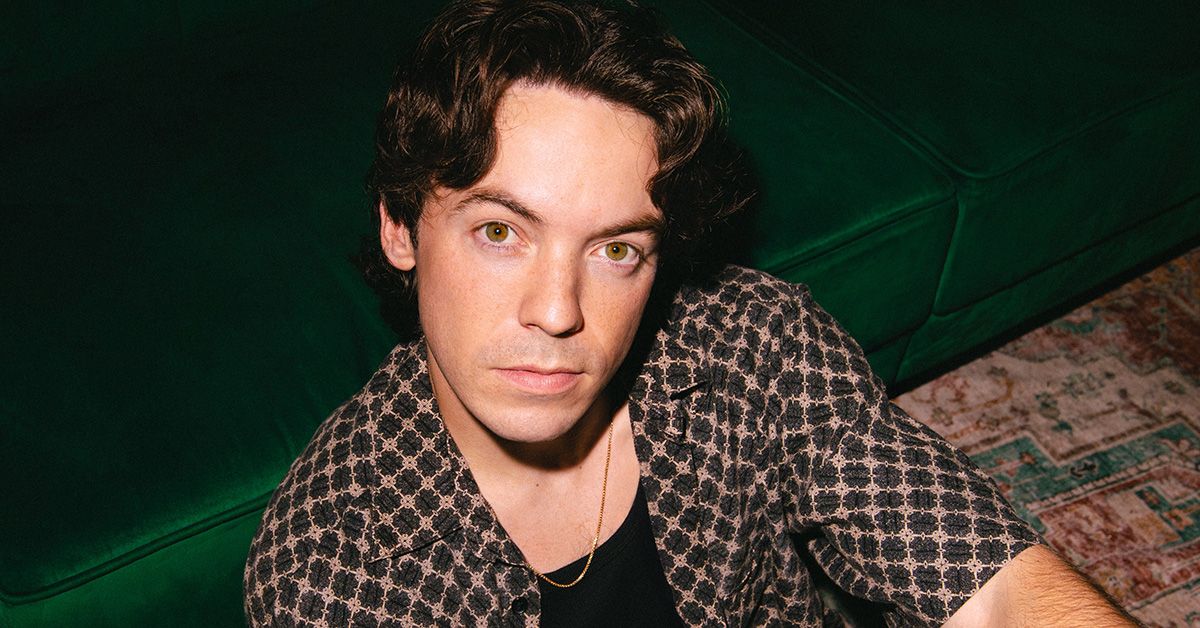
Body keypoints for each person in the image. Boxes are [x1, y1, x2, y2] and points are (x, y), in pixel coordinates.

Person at [243, 1, 1139, 625]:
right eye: (501, 232)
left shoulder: (747, 342)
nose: (558, 312)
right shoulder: (331, 567)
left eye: (616, 249)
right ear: (401, 228)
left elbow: (989, 583)